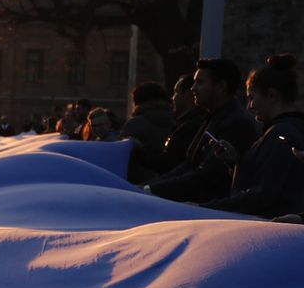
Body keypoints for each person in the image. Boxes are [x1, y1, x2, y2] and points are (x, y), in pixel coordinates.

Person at [201, 55, 304, 218]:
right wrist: (234, 161)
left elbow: (262, 194)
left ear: (271, 95)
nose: (250, 106)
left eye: (252, 97)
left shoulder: (281, 134)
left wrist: (206, 209)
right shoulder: (282, 130)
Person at [147, 58, 260, 203]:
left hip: (212, 212)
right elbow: (189, 165)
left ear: (220, 86)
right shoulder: (212, 117)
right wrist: (150, 187)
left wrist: (151, 189)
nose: (193, 88)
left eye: (199, 82)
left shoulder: (237, 123)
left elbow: (208, 175)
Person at [121, 81, 175, 181]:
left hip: (137, 184)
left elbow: (122, 157)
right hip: (170, 181)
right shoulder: (177, 122)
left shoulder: (135, 124)